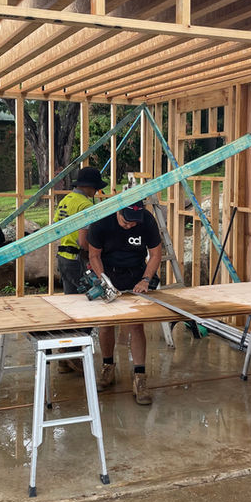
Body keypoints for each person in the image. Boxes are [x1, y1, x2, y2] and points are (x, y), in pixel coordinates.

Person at [86, 201, 162, 405]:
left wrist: (145, 280)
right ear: (118, 212)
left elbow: (155, 254)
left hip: (135, 275)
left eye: (133, 223)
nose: (129, 226)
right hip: (108, 273)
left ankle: (140, 377)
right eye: (126, 222)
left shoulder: (147, 220)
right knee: (105, 324)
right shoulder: (102, 221)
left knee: (136, 325)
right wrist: (104, 280)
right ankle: (108, 367)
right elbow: (94, 255)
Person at [53, 166, 106, 373]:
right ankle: (73, 354)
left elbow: (57, 226)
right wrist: (98, 252)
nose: (96, 192)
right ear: (90, 187)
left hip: (63, 258)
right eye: (96, 188)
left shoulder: (66, 200)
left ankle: (64, 357)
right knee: (90, 307)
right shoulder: (85, 205)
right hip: (78, 260)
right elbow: (84, 242)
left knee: (71, 308)